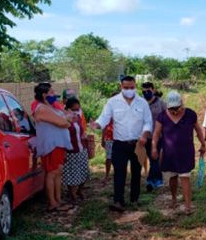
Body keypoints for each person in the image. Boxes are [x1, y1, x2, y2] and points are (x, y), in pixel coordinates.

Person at [91, 76, 153, 212]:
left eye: (131, 87)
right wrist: (97, 124)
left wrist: (144, 135)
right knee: (119, 172)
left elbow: (148, 121)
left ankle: (134, 199)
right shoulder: (113, 102)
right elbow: (104, 117)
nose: (129, 90)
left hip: (138, 143)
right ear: (121, 87)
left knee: (136, 172)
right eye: (126, 88)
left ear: (135, 86)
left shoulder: (142, 103)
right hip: (119, 144)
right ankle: (118, 201)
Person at [152, 91, 205, 214]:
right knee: (172, 177)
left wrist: (202, 144)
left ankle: (188, 206)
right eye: (172, 108)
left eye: (177, 108)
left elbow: (198, 130)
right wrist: (154, 147)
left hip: (185, 153)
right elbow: (156, 133)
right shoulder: (162, 117)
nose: (175, 111)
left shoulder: (190, 114)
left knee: (185, 177)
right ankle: (174, 198)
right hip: (169, 153)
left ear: (181, 104)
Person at [33, 83, 73, 211]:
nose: (53, 94)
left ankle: (58, 199)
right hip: (51, 145)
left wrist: (66, 119)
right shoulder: (42, 108)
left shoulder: (50, 107)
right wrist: (67, 120)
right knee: (52, 172)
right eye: (51, 92)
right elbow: (63, 123)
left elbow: (64, 120)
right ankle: (53, 202)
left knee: (58, 172)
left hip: (58, 144)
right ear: (44, 95)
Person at [62, 98, 90, 203]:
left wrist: (84, 136)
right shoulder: (64, 120)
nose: (76, 112)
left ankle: (80, 190)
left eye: (78, 109)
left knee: (84, 172)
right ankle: (72, 194)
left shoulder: (78, 118)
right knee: (72, 175)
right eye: (74, 110)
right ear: (68, 110)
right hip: (71, 151)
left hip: (81, 149)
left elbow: (82, 131)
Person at [142, 81, 166, 192]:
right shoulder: (141, 104)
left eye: (148, 91)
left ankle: (151, 181)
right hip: (146, 136)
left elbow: (167, 117)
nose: (146, 93)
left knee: (156, 158)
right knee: (152, 159)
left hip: (159, 135)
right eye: (144, 91)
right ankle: (157, 179)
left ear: (153, 90)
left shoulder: (161, 103)